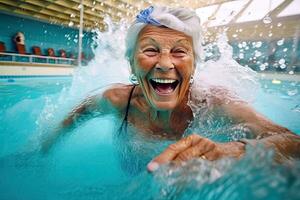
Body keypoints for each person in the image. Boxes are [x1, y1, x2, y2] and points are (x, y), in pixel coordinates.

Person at [41, 6, 300, 172]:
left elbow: (292, 142)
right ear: (131, 62)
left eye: (179, 52)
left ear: (194, 64)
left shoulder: (215, 103)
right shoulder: (117, 99)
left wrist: (233, 151)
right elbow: (73, 117)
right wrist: (40, 151)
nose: (165, 64)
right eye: (151, 50)